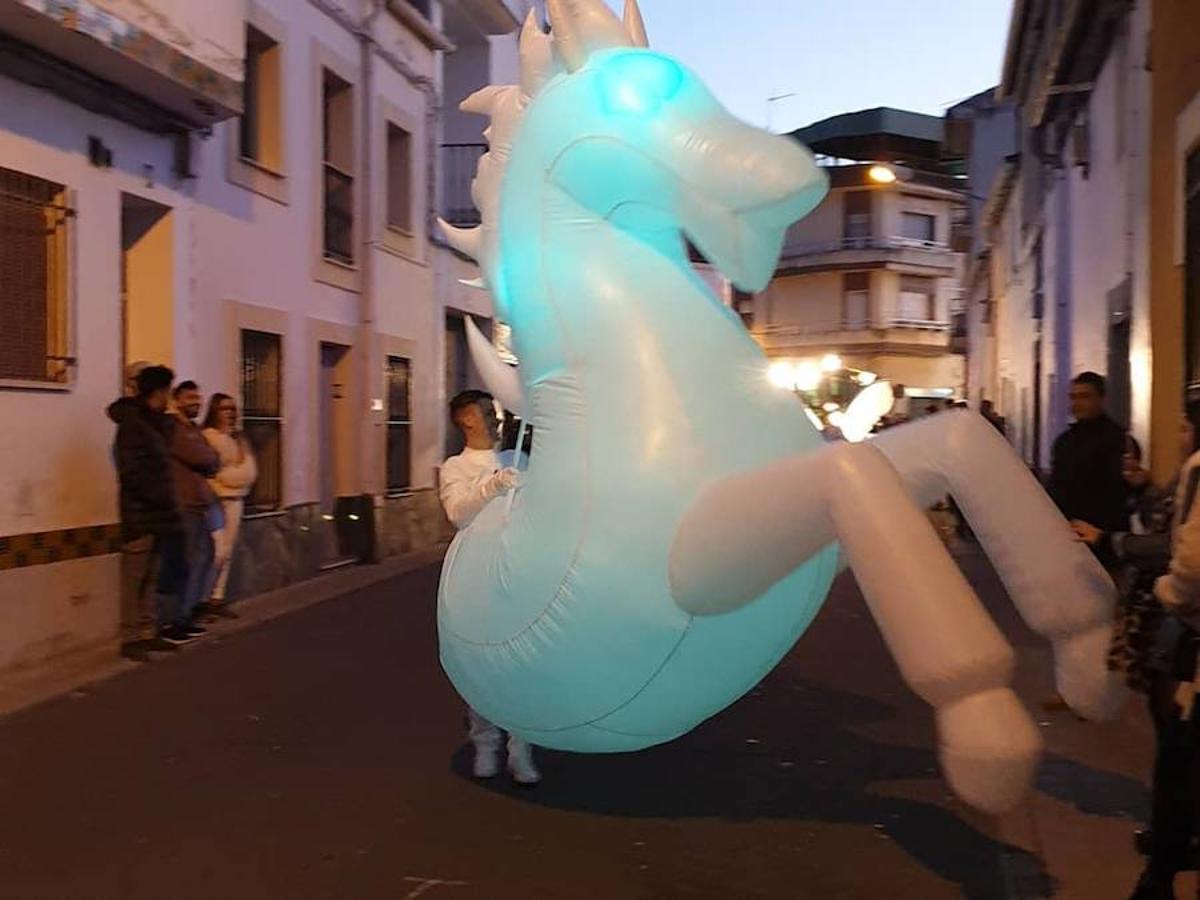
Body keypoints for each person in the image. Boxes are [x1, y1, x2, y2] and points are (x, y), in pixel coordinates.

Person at [1073, 409, 1200, 900]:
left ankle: (1162, 872)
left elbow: (1181, 556)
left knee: (1177, 752)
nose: (1181, 435)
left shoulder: (1196, 469)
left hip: (1182, 629)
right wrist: (1143, 488)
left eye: (1187, 427)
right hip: (1176, 630)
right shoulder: (1180, 476)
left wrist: (1166, 588)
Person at [439, 389, 541, 786]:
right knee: (480, 662)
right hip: (476, 576)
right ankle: (485, 743)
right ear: (466, 420)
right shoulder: (455, 467)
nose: (495, 419)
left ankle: (522, 748)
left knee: (523, 663)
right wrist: (493, 486)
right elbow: (457, 514)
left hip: (519, 572)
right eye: (485, 412)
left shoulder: (518, 459)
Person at [107, 365, 187, 660]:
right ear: (158, 391)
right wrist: (157, 498)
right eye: (167, 391)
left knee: (152, 576)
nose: (169, 397)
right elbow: (132, 472)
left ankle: (147, 631)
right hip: (140, 513)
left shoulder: (155, 422)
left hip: (158, 512)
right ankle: (129, 638)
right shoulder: (132, 424)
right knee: (135, 577)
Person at [168, 381, 221, 640]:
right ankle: (177, 619)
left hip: (198, 505)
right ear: (176, 399)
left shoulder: (193, 429)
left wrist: (210, 459)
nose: (196, 402)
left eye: (198, 397)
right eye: (190, 397)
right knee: (189, 562)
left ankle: (186, 614)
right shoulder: (176, 430)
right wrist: (209, 459)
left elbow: (212, 459)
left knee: (205, 557)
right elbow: (205, 458)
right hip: (184, 505)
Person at [1049, 372, 1130, 541]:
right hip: (1067, 533)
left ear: (1100, 399)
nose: (1077, 403)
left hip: (1101, 535)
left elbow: (1118, 493)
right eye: (1073, 397)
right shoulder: (1064, 442)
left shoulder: (1118, 440)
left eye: (1085, 396)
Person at [200, 393, 257, 620]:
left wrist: (232, 475)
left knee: (228, 550)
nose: (230, 413)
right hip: (216, 499)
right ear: (214, 411)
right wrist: (234, 475)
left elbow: (249, 472)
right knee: (216, 551)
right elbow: (213, 472)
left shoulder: (238, 439)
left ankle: (217, 597)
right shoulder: (209, 437)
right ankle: (201, 598)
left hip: (236, 499)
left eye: (233, 409)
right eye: (224, 408)